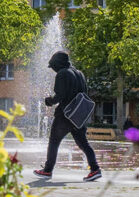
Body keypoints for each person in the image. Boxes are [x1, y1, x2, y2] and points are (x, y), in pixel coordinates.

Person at [32, 51, 102, 182]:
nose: (53, 70)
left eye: (53, 66)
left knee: (54, 141)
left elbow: (60, 96)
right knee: (84, 143)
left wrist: (49, 101)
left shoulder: (62, 74)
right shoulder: (80, 73)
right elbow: (84, 94)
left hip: (64, 115)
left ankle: (47, 170)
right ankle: (95, 169)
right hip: (78, 116)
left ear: (57, 64)